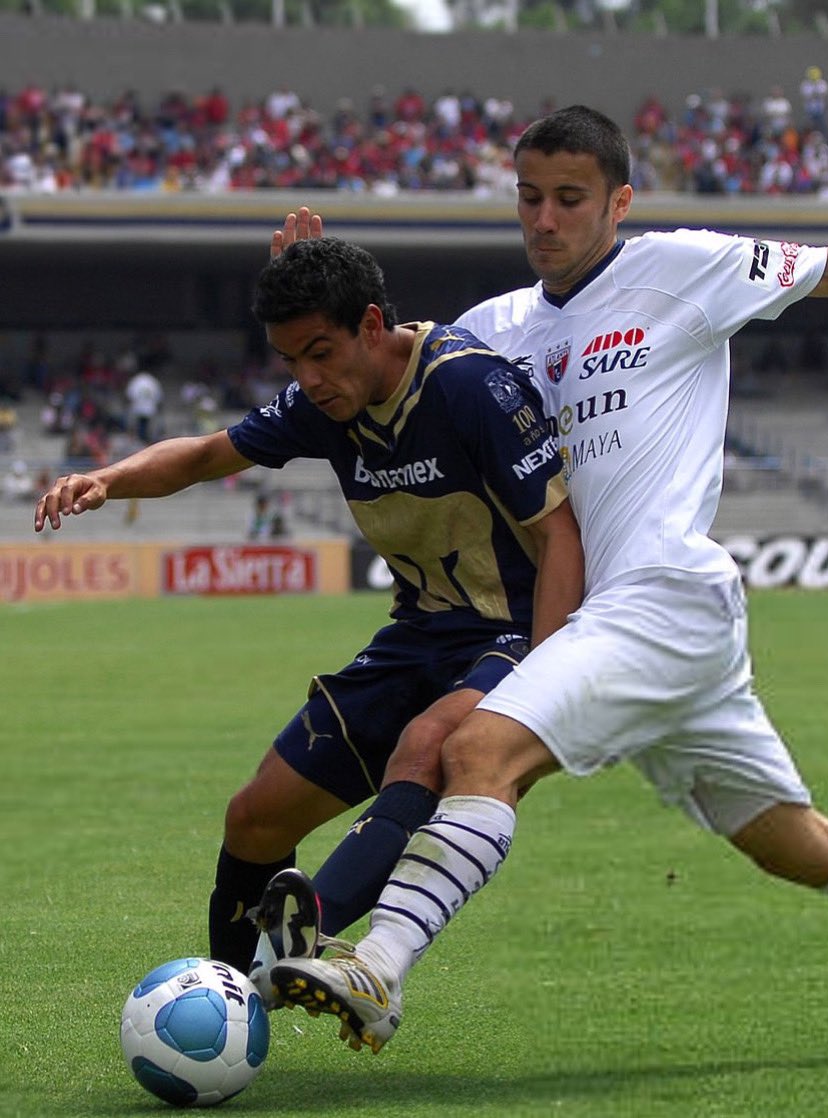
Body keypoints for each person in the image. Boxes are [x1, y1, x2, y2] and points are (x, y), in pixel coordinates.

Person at [267, 104, 828, 1055]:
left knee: (478, 753)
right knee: (788, 841)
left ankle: (377, 966)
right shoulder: (494, 329)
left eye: (570, 198)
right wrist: (313, 283)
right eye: (529, 197)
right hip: (626, 628)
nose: (545, 218)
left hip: (661, 597)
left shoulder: (681, 269)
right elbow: (381, 362)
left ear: (618, 202)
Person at [33, 236, 583, 987]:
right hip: (419, 632)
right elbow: (203, 455)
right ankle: (235, 1002)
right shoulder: (320, 404)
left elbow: (559, 535)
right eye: (291, 360)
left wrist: (543, 681)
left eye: (320, 352)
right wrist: (105, 478)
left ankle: (299, 943)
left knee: (424, 747)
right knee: (255, 817)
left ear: (368, 324)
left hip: (511, 632)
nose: (309, 378)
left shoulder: (467, 385)